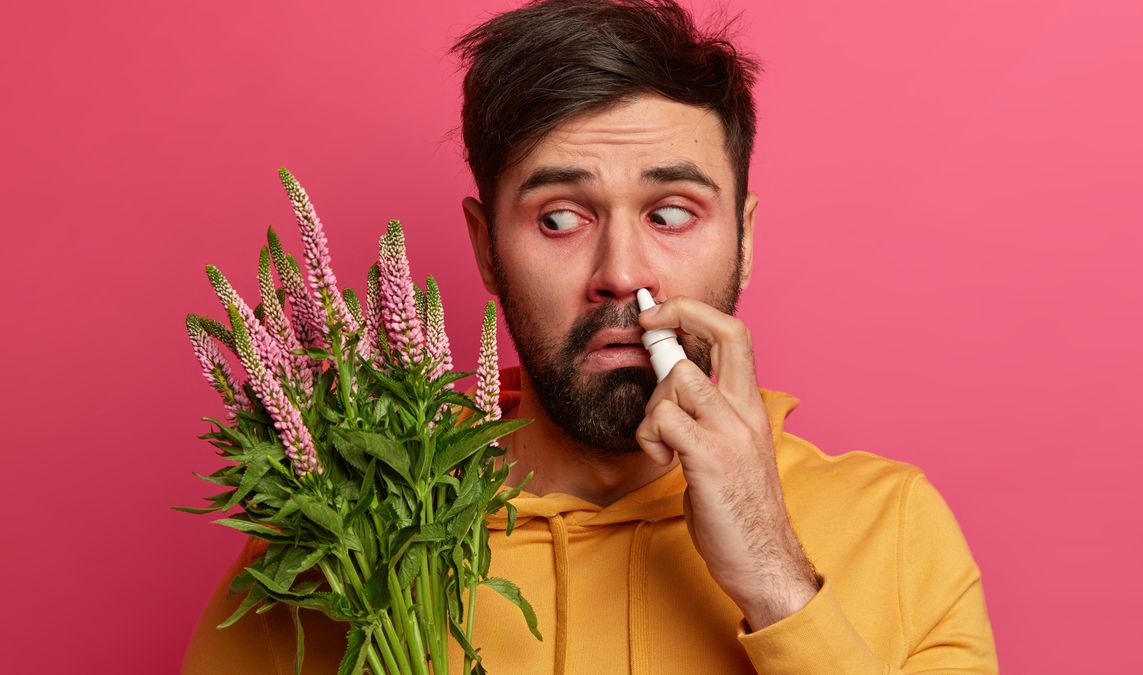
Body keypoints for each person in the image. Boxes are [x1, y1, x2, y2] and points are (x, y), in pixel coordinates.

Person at [183, 1, 999, 672]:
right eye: (561, 218)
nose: (620, 271)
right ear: (486, 248)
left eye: (672, 213)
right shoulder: (337, 547)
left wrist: (776, 576)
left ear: (744, 240)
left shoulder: (893, 526)